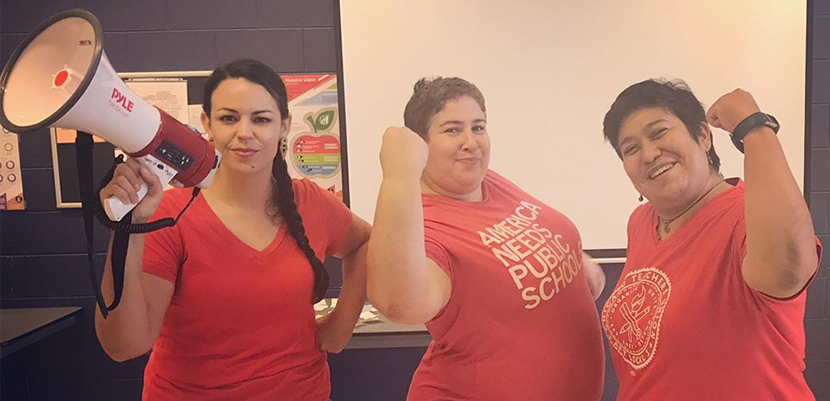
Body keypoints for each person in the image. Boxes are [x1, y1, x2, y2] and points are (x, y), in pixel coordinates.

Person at [94, 59, 370, 401]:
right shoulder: (169, 214)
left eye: (262, 119)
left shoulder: (311, 202)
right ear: (207, 123)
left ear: (285, 125)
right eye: (228, 118)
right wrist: (128, 228)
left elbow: (365, 242)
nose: (245, 133)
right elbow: (124, 346)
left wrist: (341, 326)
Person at [367, 77, 606, 401]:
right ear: (420, 145)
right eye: (453, 130)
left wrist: (571, 262)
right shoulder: (426, 224)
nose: (471, 142)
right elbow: (399, 303)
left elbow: (511, 251)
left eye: (478, 127)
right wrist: (398, 174)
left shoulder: (486, 182)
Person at [600, 79, 823, 401]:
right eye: (631, 148)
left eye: (659, 132)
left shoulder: (745, 214)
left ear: (703, 135)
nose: (648, 154)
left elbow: (785, 272)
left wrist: (755, 128)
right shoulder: (641, 222)